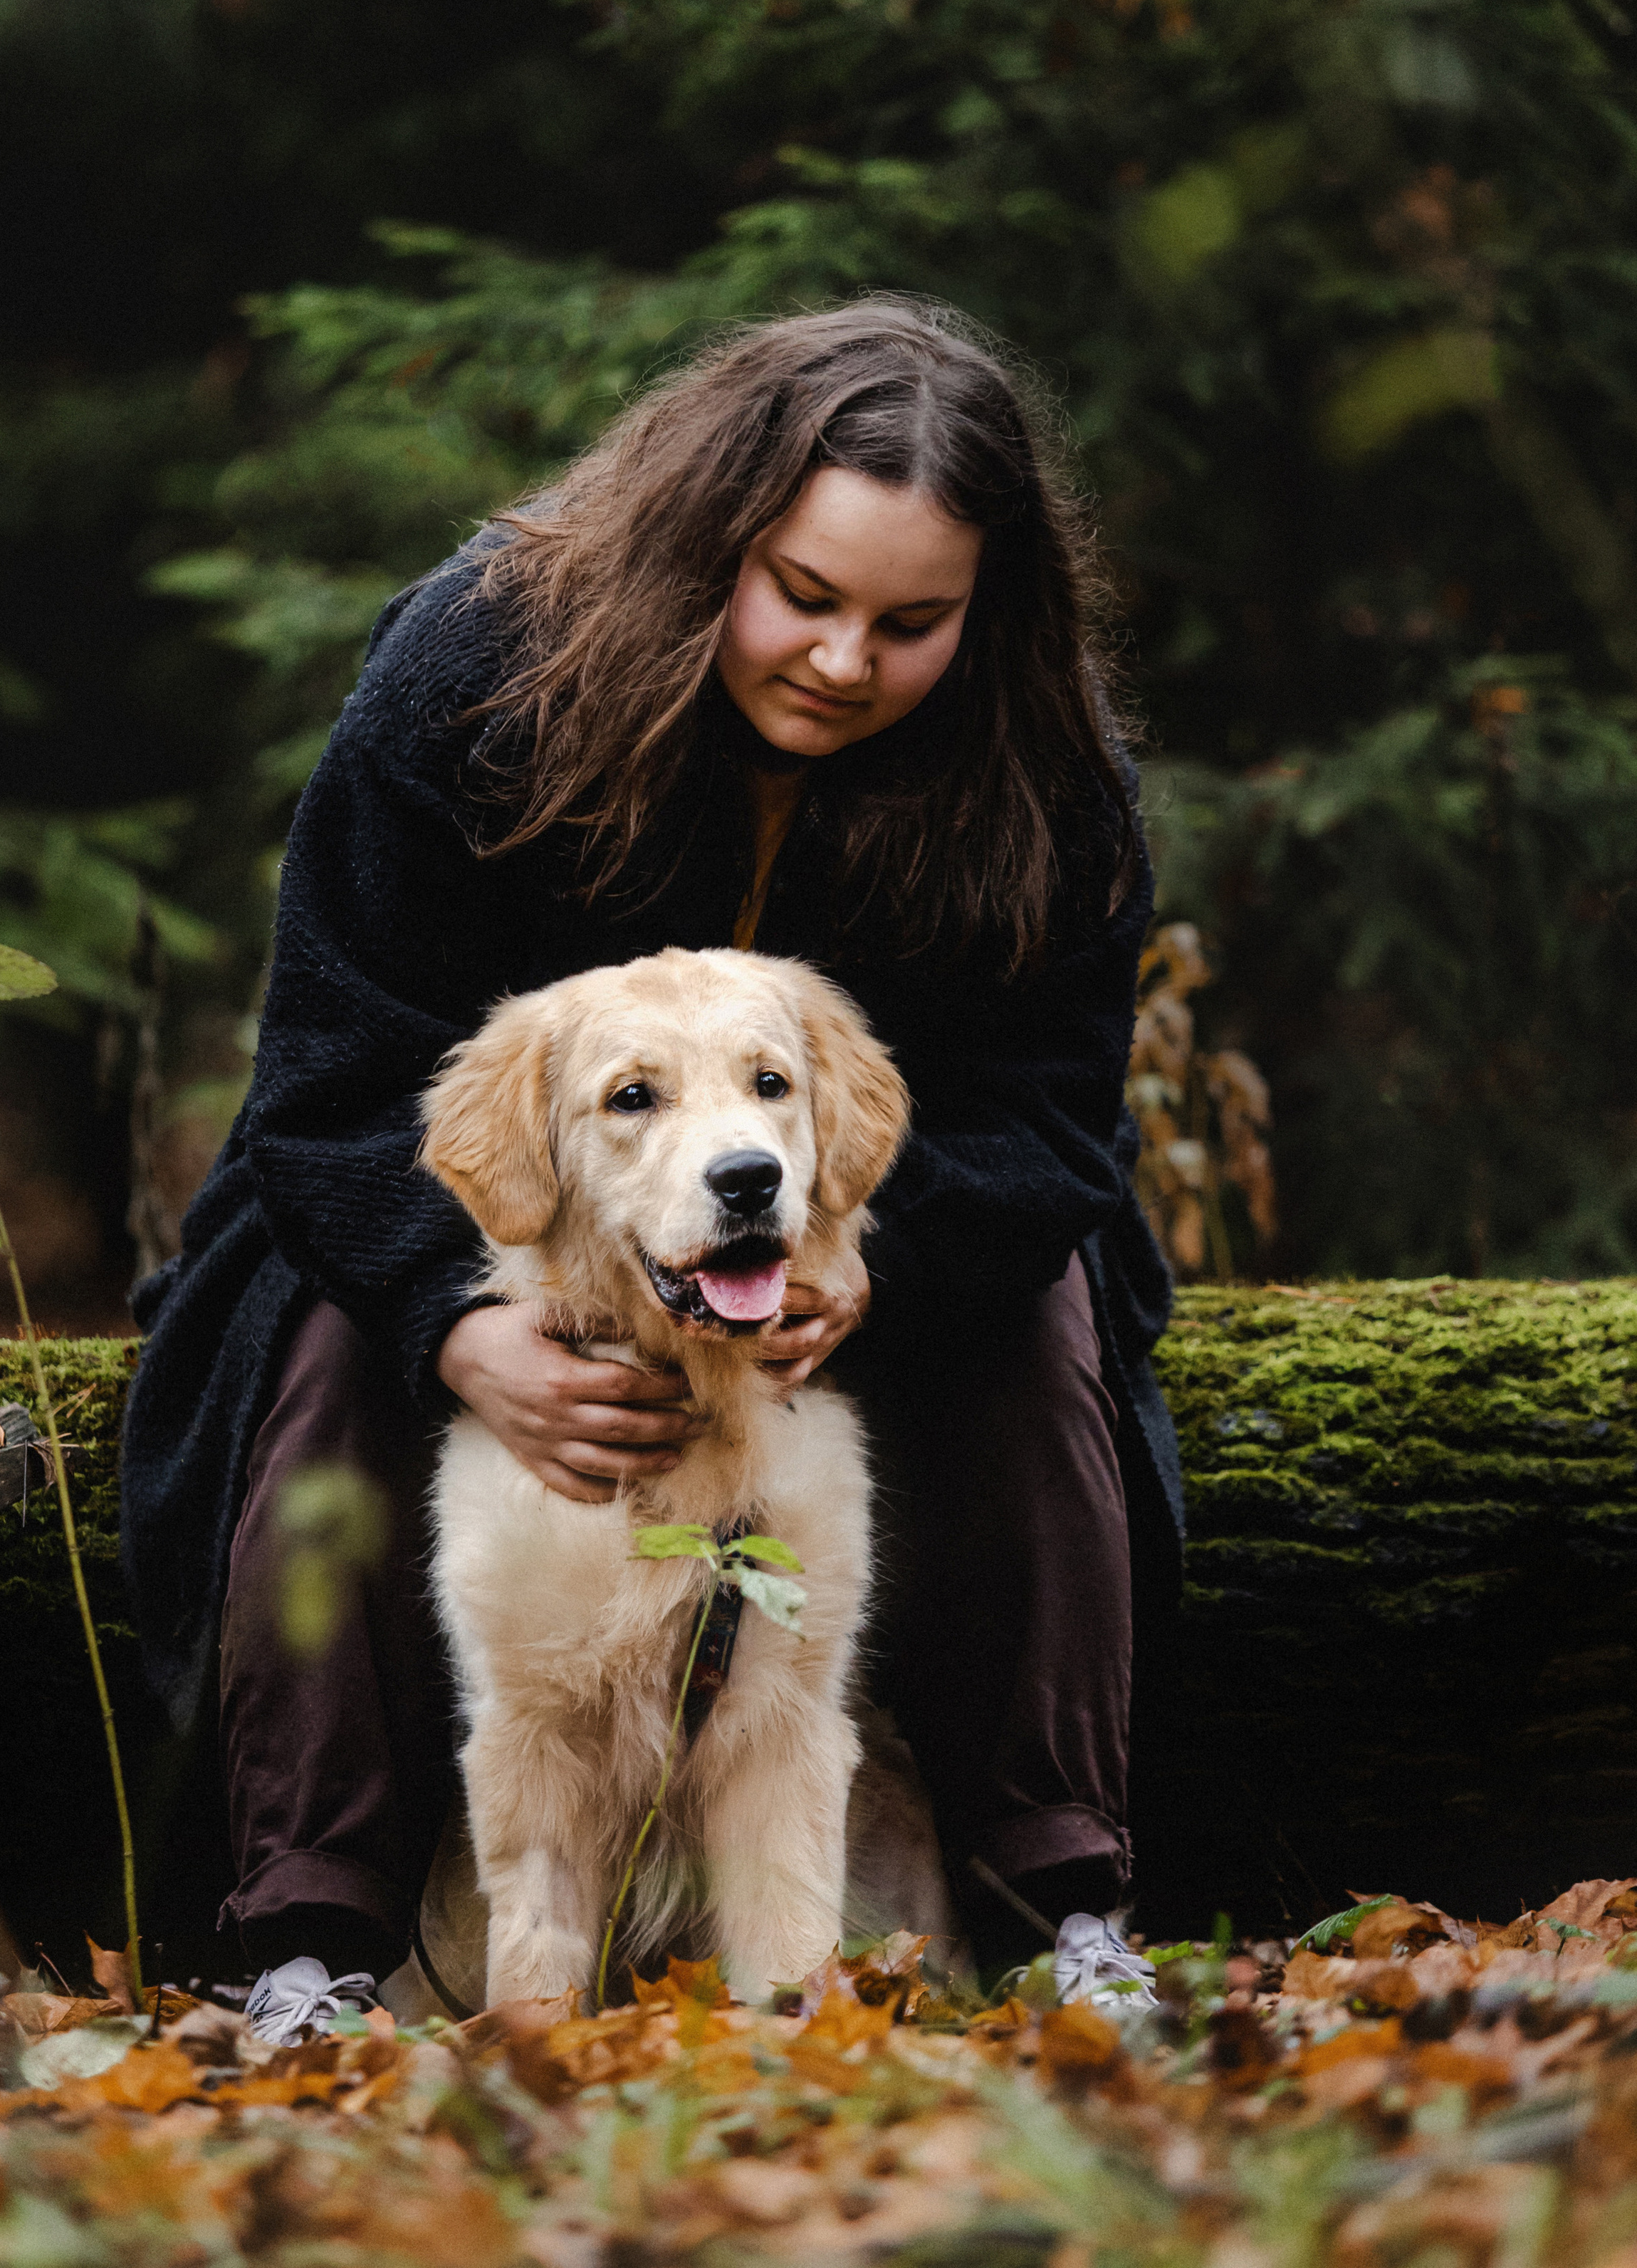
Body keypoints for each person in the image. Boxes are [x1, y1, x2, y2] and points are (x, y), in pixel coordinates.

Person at [120, 296, 1183, 2034]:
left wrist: (879, 1259)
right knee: (317, 1351)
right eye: (806, 597)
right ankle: (304, 1945)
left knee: (1046, 1318)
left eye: (911, 623)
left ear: (985, 614)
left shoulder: (1046, 777)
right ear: (713, 544)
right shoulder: (476, 672)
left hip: (877, 1251)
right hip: (474, 1231)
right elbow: (326, 1086)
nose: (844, 662)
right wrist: (448, 1324)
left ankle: (1066, 1910)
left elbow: (1054, 1124)